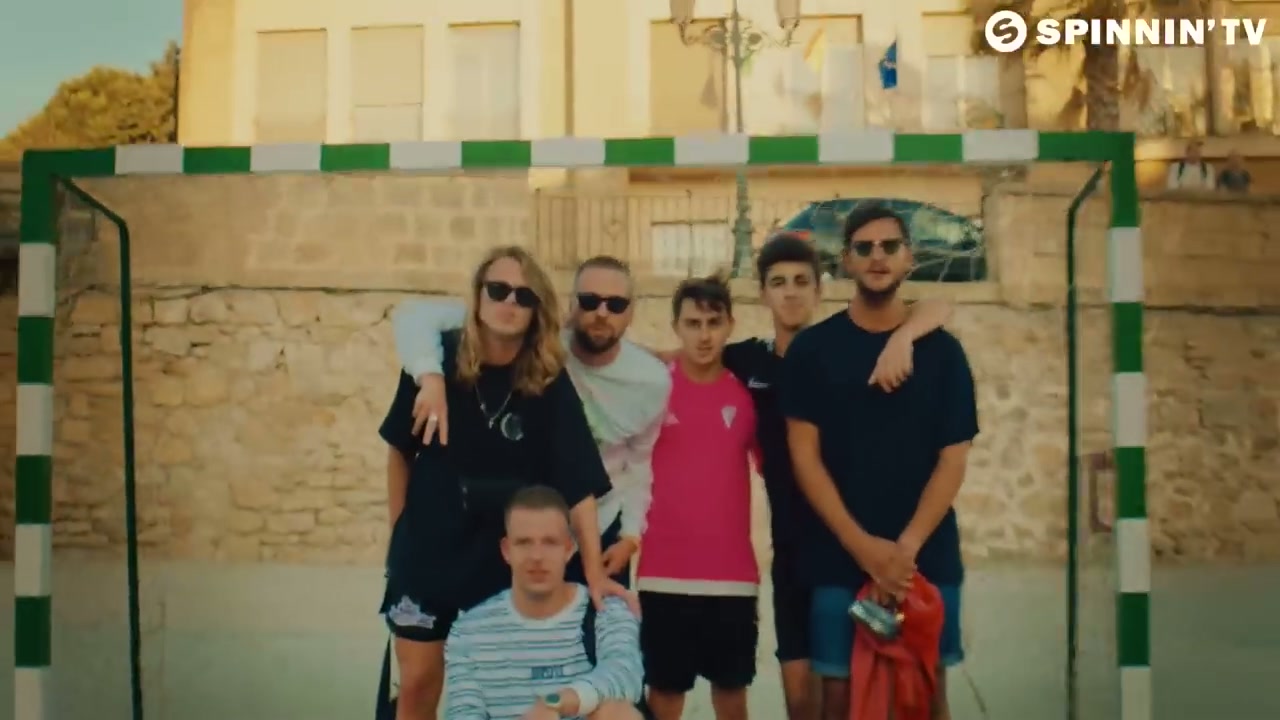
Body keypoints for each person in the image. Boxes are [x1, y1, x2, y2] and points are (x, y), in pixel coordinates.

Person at [644, 234, 953, 720]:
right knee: (804, 704)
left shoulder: (846, 348)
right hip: (791, 552)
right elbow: (681, 354)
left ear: (819, 289)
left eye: (801, 281)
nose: (790, 292)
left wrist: (903, 337)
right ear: (763, 293)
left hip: (852, 544)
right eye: (779, 282)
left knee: (893, 697)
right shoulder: (745, 361)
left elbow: (939, 304)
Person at [377, 245, 627, 720]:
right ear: (478, 297)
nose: (510, 301)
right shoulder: (434, 364)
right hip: (428, 552)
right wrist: (400, 533)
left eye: (524, 295)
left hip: (497, 562)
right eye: (498, 290)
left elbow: (578, 484)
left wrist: (595, 571)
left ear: (537, 311)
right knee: (417, 683)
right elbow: (399, 451)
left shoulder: (546, 381)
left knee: (497, 690)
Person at [780, 204, 979, 720]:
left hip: (925, 559)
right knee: (838, 703)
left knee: (926, 699)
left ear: (909, 257)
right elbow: (805, 459)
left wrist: (904, 551)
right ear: (845, 260)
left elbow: (953, 459)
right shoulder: (812, 351)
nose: (877, 256)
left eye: (890, 245)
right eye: (863, 247)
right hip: (838, 557)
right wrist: (863, 548)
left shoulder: (944, 354)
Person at [390, 255, 671, 587]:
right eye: (589, 300)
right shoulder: (536, 348)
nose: (601, 312)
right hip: (520, 536)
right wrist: (430, 375)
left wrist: (630, 535)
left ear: (632, 311)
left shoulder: (647, 380)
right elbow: (414, 317)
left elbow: (636, 465)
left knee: (599, 618)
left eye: (616, 304)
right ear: (571, 304)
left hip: (597, 526)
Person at [636, 274, 759, 720]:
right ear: (676, 327)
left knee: (732, 700)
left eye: (713, 322)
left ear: (730, 325)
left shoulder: (747, 394)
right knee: (664, 699)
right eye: (692, 323)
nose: (704, 335)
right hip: (663, 575)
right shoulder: (652, 387)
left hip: (732, 578)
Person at [443, 485, 645, 720]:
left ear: (568, 548)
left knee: (618, 714)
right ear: (506, 550)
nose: (537, 556)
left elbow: (625, 675)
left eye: (549, 542)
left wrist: (556, 703)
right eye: (524, 542)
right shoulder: (468, 632)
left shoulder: (605, 609)